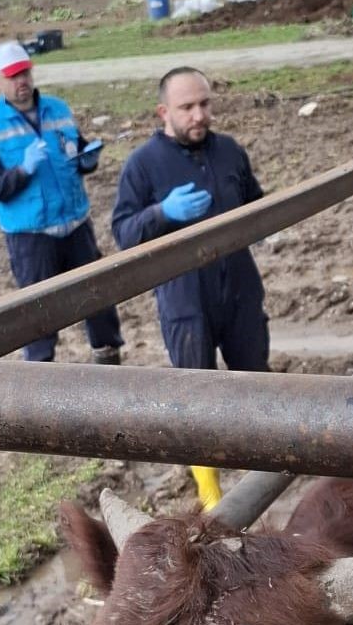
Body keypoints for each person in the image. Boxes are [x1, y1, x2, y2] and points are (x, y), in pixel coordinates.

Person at [111, 65, 270, 510]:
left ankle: (264, 464)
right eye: (187, 107)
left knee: (254, 376)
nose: (199, 115)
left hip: (238, 283)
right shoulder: (142, 165)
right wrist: (162, 213)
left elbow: (257, 205)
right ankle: (208, 485)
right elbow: (124, 231)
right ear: (164, 111)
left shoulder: (230, 152)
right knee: (194, 387)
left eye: (205, 104)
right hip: (184, 295)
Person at [0, 40, 125, 365]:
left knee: (96, 298)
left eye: (24, 73)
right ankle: (39, 381)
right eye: (12, 76)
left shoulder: (58, 110)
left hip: (76, 225)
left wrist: (87, 159)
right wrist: (22, 171)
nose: (21, 81)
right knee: (38, 314)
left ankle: (108, 361)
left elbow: (77, 150)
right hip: (31, 237)